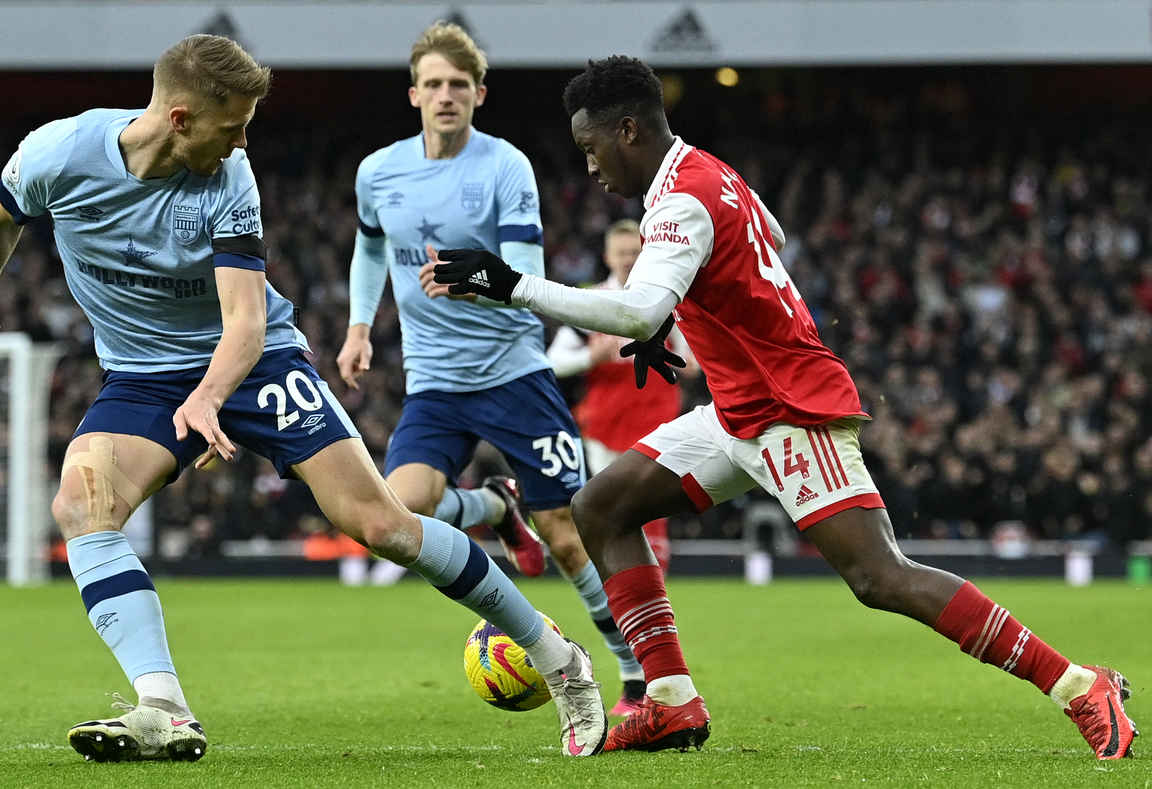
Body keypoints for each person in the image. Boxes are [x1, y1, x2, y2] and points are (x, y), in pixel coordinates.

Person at [429, 55, 1138, 759]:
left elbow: (640, 309)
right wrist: (687, 318)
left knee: (880, 576)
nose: (589, 168)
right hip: (738, 409)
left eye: (591, 149)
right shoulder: (706, 172)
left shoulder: (679, 200)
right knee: (602, 507)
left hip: (790, 407)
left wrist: (513, 284)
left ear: (628, 130)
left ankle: (1077, 683)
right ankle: (671, 701)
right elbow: (769, 233)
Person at [0, 34, 607, 763]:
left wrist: (208, 396)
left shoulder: (229, 177)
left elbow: (246, 321)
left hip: (257, 364)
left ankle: (559, 659)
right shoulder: (58, 152)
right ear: (178, 118)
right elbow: (3, 214)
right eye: (231, 126)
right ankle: (163, 705)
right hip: (142, 375)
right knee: (81, 502)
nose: (242, 142)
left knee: (381, 523)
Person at [337, 22, 646, 714]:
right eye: (434, 85)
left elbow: (529, 274)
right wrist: (360, 327)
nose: (446, 96)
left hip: (513, 375)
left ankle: (632, 672)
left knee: (567, 535)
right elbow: (368, 249)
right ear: (413, 93)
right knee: (397, 512)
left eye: (459, 85)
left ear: (480, 93)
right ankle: (493, 507)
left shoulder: (505, 167)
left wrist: (473, 277)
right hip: (435, 383)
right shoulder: (379, 171)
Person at [545, 219, 699, 576]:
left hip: (656, 421)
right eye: (622, 253)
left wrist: (682, 358)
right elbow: (553, 361)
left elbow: (693, 362)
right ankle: (621, 585)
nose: (629, 259)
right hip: (604, 425)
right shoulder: (592, 302)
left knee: (651, 507)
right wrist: (591, 358)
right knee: (614, 509)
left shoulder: (668, 302)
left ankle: (652, 590)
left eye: (635, 252)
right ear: (608, 257)